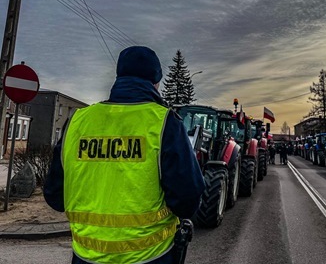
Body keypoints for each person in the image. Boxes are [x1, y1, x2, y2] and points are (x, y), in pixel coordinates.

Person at [43, 46, 205, 264]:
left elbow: (55, 196)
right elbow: (187, 199)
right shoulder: (164, 123)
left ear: (119, 76)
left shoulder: (78, 121)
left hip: (86, 256)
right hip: (149, 256)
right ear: (156, 82)